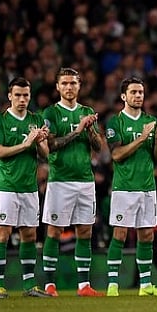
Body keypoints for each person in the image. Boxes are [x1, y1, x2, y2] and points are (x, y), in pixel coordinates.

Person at [41, 68, 105, 297]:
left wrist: (90, 131)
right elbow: (51, 145)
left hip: (85, 180)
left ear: (79, 86)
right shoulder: (51, 113)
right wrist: (78, 130)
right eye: (65, 83)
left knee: (85, 231)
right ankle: (49, 284)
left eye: (73, 83)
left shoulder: (87, 111)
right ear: (57, 87)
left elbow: (98, 147)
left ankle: (83, 286)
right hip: (60, 180)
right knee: (54, 231)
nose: (69, 87)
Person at [104, 77, 157, 296]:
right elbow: (116, 155)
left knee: (147, 236)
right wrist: (142, 138)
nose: (138, 96)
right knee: (120, 234)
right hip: (124, 187)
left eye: (141, 92)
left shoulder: (150, 120)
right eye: (133, 92)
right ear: (124, 96)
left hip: (147, 187)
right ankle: (112, 285)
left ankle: (145, 285)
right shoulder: (116, 122)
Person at [0, 77, 52, 298]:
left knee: (29, 234)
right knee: (3, 233)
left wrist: (40, 141)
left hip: (29, 187)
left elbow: (46, 154)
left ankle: (29, 285)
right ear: (9, 96)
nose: (22, 99)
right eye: (18, 95)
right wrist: (25, 144)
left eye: (25, 95)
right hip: (6, 186)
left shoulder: (35, 119)